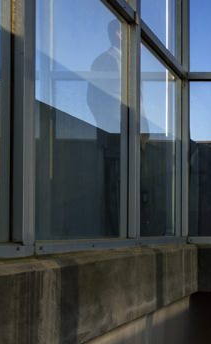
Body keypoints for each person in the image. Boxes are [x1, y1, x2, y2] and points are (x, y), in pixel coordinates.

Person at [86, 19, 123, 235]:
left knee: (122, 187)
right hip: (115, 134)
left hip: (126, 134)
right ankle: (114, 233)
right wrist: (110, 125)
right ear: (119, 34)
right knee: (113, 187)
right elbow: (94, 99)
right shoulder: (105, 61)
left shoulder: (126, 62)